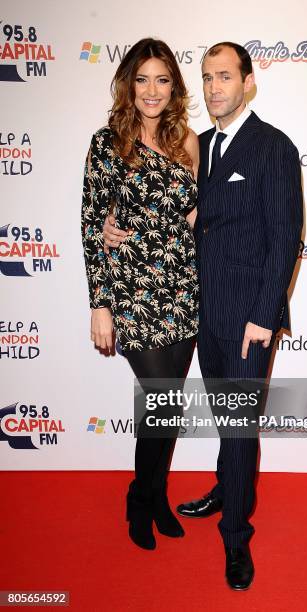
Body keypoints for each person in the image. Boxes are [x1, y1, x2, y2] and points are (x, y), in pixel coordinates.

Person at [103, 42, 303, 589]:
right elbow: (169, 213)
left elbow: (286, 237)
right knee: (225, 424)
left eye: (225, 77)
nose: (215, 87)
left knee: (239, 426)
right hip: (199, 311)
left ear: (247, 83)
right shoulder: (198, 145)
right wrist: (110, 226)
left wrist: (264, 314)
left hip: (247, 319)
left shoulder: (273, 147)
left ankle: (237, 539)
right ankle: (225, 488)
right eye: (208, 77)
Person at [81, 38, 199, 551]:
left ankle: (154, 496)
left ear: (174, 87)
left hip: (182, 288)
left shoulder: (188, 143)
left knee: (166, 407)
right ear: (129, 84)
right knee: (159, 397)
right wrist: (100, 303)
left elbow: (197, 217)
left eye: (162, 79)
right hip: (131, 289)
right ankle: (140, 497)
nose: (152, 90)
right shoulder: (107, 143)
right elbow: (91, 225)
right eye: (143, 79)